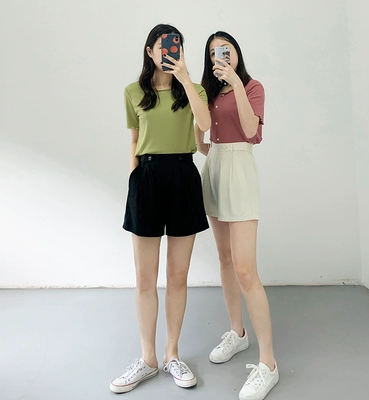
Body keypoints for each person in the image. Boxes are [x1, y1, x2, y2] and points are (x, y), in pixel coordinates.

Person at [110, 24, 211, 394]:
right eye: (163, 45)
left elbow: (205, 124)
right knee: (144, 277)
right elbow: (134, 141)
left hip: (183, 175)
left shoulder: (194, 90)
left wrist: (184, 78)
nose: (170, 50)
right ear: (150, 51)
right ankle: (148, 358)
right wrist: (134, 181)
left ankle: (172, 354)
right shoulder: (133, 92)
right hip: (147, 178)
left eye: (176, 45)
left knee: (178, 276)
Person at [195, 31, 279, 400]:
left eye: (225, 50)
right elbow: (201, 139)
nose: (220, 56)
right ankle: (237, 332)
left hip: (240, 170)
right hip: (214, 168)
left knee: (246, 269)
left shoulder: (253, 87)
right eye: (214, 52)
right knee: (225, 259)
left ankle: (268, 364)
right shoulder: (208, 92)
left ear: (236, 53)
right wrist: (207, 146)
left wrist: (236, 85)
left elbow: (248, 130)